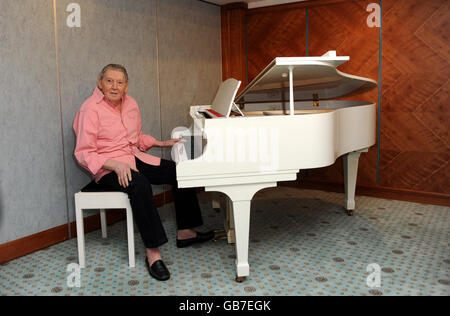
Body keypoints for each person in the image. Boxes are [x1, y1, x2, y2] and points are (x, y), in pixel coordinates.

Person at [73, 64, 214, 281]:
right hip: (107, 167)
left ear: (126, 85)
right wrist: (115, 165)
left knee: (179, 172)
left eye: (120, 82)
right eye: (109, 81)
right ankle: (153, 254)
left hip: (134, 157)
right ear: (100, 83)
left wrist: (160, 142)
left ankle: (186, 231)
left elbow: (136, 138)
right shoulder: (89, 109)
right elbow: (84, 153)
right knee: (139, 184)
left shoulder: (131, 104)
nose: (114, 86)